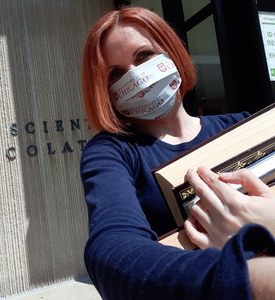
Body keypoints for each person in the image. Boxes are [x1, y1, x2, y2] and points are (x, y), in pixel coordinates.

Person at [79, 6, 275, 300]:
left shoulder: (242, 125)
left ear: (171, 52)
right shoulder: (112, 152)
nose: (135, 78)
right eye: (116, 74)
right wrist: (242, 275)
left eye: (144, 56)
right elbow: (111, 250)